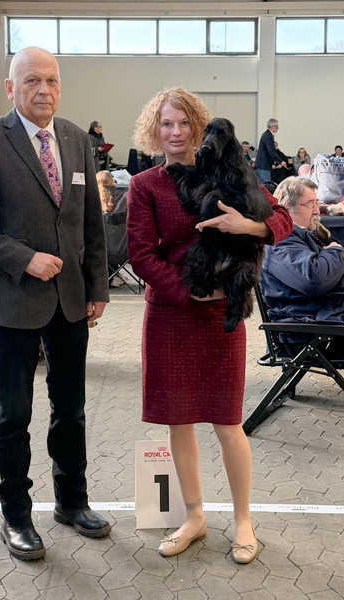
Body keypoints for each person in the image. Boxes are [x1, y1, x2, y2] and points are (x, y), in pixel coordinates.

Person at [0, 47, 111, 561]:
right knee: (13, 415)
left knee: (71, 410)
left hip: (70, 302)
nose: (44, 90)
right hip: (14, 300)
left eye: (52, 80)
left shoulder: (76, 139)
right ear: (10, 87)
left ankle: (72, 501)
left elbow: (90, 221)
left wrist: (98, 287)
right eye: (32, 81)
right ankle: (16, 517)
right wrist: (24, 259)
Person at [127, 88, 292, 564]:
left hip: (223, 318)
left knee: (228, 423)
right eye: (166, 124)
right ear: (154, 131)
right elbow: (141, 255)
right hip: (171, 315)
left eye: (184, 123)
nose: (175, 132)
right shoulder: (144, 185)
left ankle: (243, 520)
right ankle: (194, 516)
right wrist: (190, 293)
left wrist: (250, 227)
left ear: (199, 127)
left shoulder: (228, 172)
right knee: (178, 424)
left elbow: (282, 217)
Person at [260, 177, 344, 356]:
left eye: (316, 203)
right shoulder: (281, 241)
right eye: (310, 204)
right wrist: (334, 251)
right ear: (287, 208)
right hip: (310, 332)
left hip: (325, 321)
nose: (317, 210)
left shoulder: (301, 236)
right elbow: (314, 279)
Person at [96, 170, 128, 288]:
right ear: (113, 182)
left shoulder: (93, 202)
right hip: (126, 253)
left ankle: (110, 276)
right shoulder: (125, 198)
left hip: (102, 253)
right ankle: (115, 275)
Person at [255, 118, 287, 184]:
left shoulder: (267, 134)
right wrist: (281, 161)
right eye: (276, 126)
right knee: (265, 185)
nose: (278, 128)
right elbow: (271, 151)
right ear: (272, 126)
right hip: (264, 164)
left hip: (264, 164)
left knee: (265, 184)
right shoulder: (268, 136)